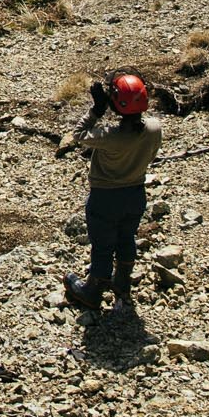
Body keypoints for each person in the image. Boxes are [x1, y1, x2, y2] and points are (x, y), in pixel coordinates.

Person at [57, 71, 161, 312]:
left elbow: (79, 134)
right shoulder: (154, 128)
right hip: (135, 193)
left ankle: (93, 289)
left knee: (102, 244)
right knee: (127, 237)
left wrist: (97, 110)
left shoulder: (110, 136)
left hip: (105, 197)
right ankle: (122, 283)